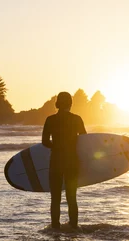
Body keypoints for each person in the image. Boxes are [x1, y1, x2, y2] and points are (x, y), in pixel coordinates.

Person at [42, 92, 87, 229]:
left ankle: (55, 227)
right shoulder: (77, 119)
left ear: (57, 103)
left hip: (56, 161)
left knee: (55, 198)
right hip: (72, 161)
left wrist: (56, 146)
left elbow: (44, 142)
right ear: (70, 103)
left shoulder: (50, 119)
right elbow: (85, 139)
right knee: (71, 197)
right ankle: (74, 227)